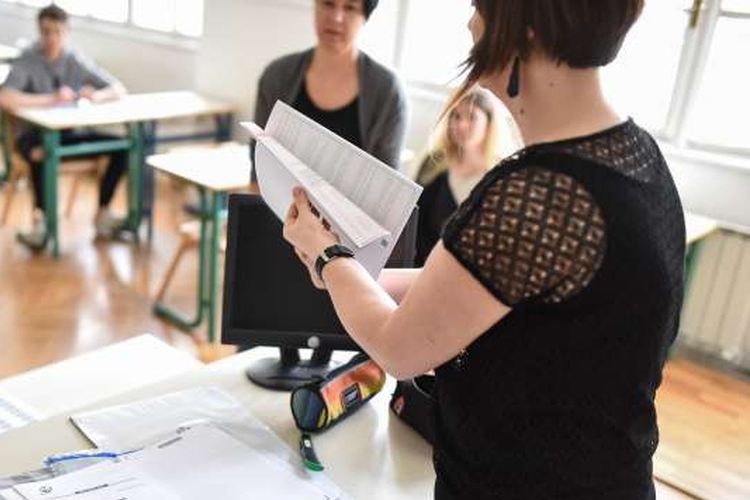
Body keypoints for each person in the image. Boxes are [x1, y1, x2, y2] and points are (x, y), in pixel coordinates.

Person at [283, 1, 686, 498]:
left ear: (529, 28)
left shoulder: (539, 194)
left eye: (479, 7)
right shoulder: (634, 153)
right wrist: (352, 274)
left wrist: (328, 257)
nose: (470, 24)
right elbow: (472, 291)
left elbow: (398, 349)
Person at [0, 4, 128, 249]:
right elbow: (5, 98)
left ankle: (103, 212)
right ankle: (41, 222)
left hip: (68, 133)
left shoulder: (74, 59)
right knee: (41, 153)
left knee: (121, 147)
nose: (52, 38)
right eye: (46, 32)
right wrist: (51, 99)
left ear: (67, 31)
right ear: (39, 31)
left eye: (57, 32)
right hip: (32, 136)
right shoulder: (28, 59)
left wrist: (96, 96)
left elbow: (117, 87)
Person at [253, 0, 406, 173]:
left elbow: (387, 186)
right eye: (328, 3)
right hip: (277, 200)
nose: (336, 18)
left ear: (365, 17)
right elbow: (258, 168)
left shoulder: (387, 91)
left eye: (350, 8)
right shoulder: (277, 76)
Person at [414, 87, 499, 266]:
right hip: (422, 270)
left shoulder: (500, 177)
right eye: (456, 116)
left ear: (489, 122)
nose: (461, 125)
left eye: (471, 117)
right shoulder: (433, 164)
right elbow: (414, 229)